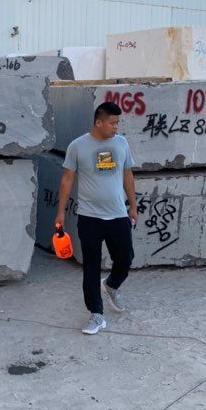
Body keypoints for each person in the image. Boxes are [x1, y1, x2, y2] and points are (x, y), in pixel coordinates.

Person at [55, 102, 137, 335]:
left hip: (118, 214)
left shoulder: (121, 144)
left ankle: (111, 285)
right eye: (112, 123)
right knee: (91, 266)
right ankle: (96, 314)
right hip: (89, 217)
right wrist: (60, 212)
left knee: (126, 258)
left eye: (117, 122)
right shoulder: (77, 146)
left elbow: (128, 175)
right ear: (98, 123)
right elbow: (67, 180)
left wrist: (133, 205)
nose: (116, 127)